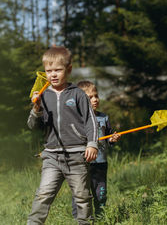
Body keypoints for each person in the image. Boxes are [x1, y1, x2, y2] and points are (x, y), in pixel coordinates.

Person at [27, 46, 98, 225]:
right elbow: (32, 126)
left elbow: (91, 121)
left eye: (58, 70)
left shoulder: (78, 94)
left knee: (82, 197)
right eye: (49, 70)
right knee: (43, 195)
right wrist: (36, 109)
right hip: (52, 155)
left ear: (69, 69)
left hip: (77, 155)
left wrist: (92, 144)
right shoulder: (43, 96)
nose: (53, 74)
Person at [72, 81, 121, 218]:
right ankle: (82, 219)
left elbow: (108, 136)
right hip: (82, 163)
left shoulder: (104, 117)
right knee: (81, 194)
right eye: (90, 97)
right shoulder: (77, 120)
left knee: (101, 194)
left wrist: (112, 139)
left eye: (96, 96)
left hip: (100, 163)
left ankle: (101, 218)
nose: (95, 100)